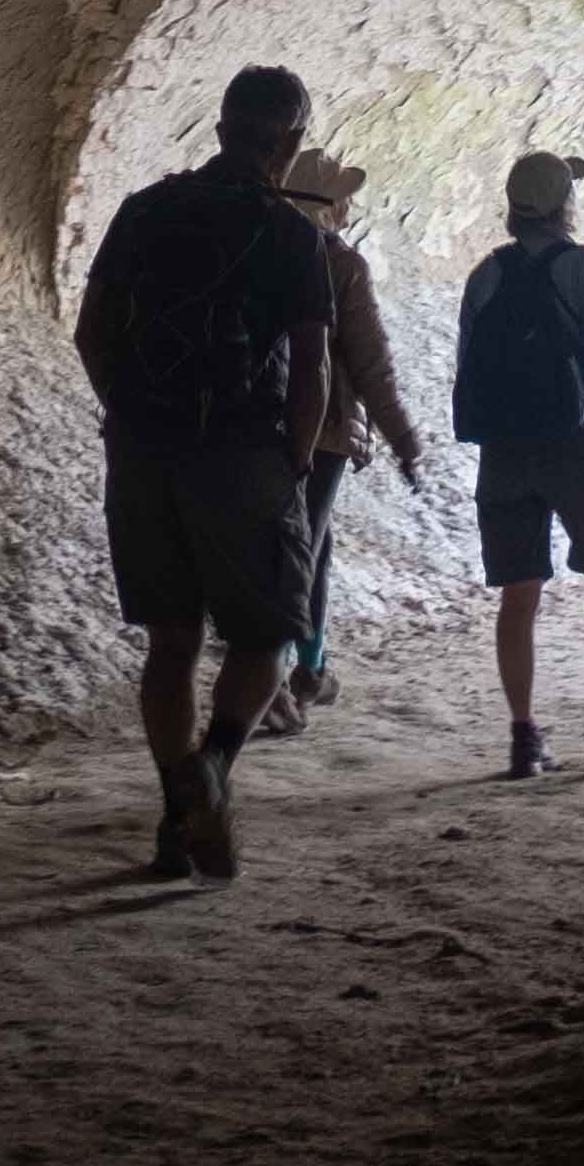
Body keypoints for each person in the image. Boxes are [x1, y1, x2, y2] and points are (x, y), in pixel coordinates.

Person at [71, 64, 335, 881]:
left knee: (172, 641)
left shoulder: (145, 212)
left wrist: (129, 415)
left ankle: (173, 818)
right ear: (289, 145)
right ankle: (212, 770)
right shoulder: (293, 235)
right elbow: (312, 371)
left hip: (144, 450)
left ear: (218, 130)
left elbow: (90, 333)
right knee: (266, 634)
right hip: (241, 454)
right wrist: (292, 459)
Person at [450, 148, 584, 778]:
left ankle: (523, 735)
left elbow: (466, 370)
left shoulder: (485, 276)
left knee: (519, 596)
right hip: (579, 446)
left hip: (506, 455)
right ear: (565, 205)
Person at [243, 145, 425, 738]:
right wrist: (402, 436)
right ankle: (279, 685)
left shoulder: (250, 248)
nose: (350, 203)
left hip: (249, 425)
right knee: (301, 555)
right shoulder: (341, 265)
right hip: (319, 432)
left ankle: (307, 670)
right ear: (321, 203)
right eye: (344, 193)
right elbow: (370, 363)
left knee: (291, 551)